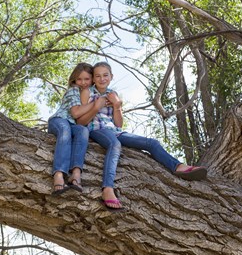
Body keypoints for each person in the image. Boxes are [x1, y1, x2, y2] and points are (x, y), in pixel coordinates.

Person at [77, 61, 207, 212]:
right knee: (114, 145)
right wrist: (96, 106)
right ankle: (107, 189)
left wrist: (117, 106)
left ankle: (178, 166)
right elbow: (81, 121)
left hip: (115, 131)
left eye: (105, 75)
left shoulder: (113, 94)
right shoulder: (88, 92)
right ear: (93, 78)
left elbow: (118, 125)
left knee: (151, 143)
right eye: (97, 76)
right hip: (96, 129)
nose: (102, 79)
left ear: (111, 77)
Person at [48, 63, 97, 195]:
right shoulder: (73, 90)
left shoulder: (92, 93)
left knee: (83, 131)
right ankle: (58, 174)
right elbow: (75, 113)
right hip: (59, 121)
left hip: (73, 126)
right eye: (79, 79)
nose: (83, 83)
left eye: (87, 79)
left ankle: (75, 174)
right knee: (65, 131)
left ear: (92, 79)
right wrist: (95, 105)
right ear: (74, 80)